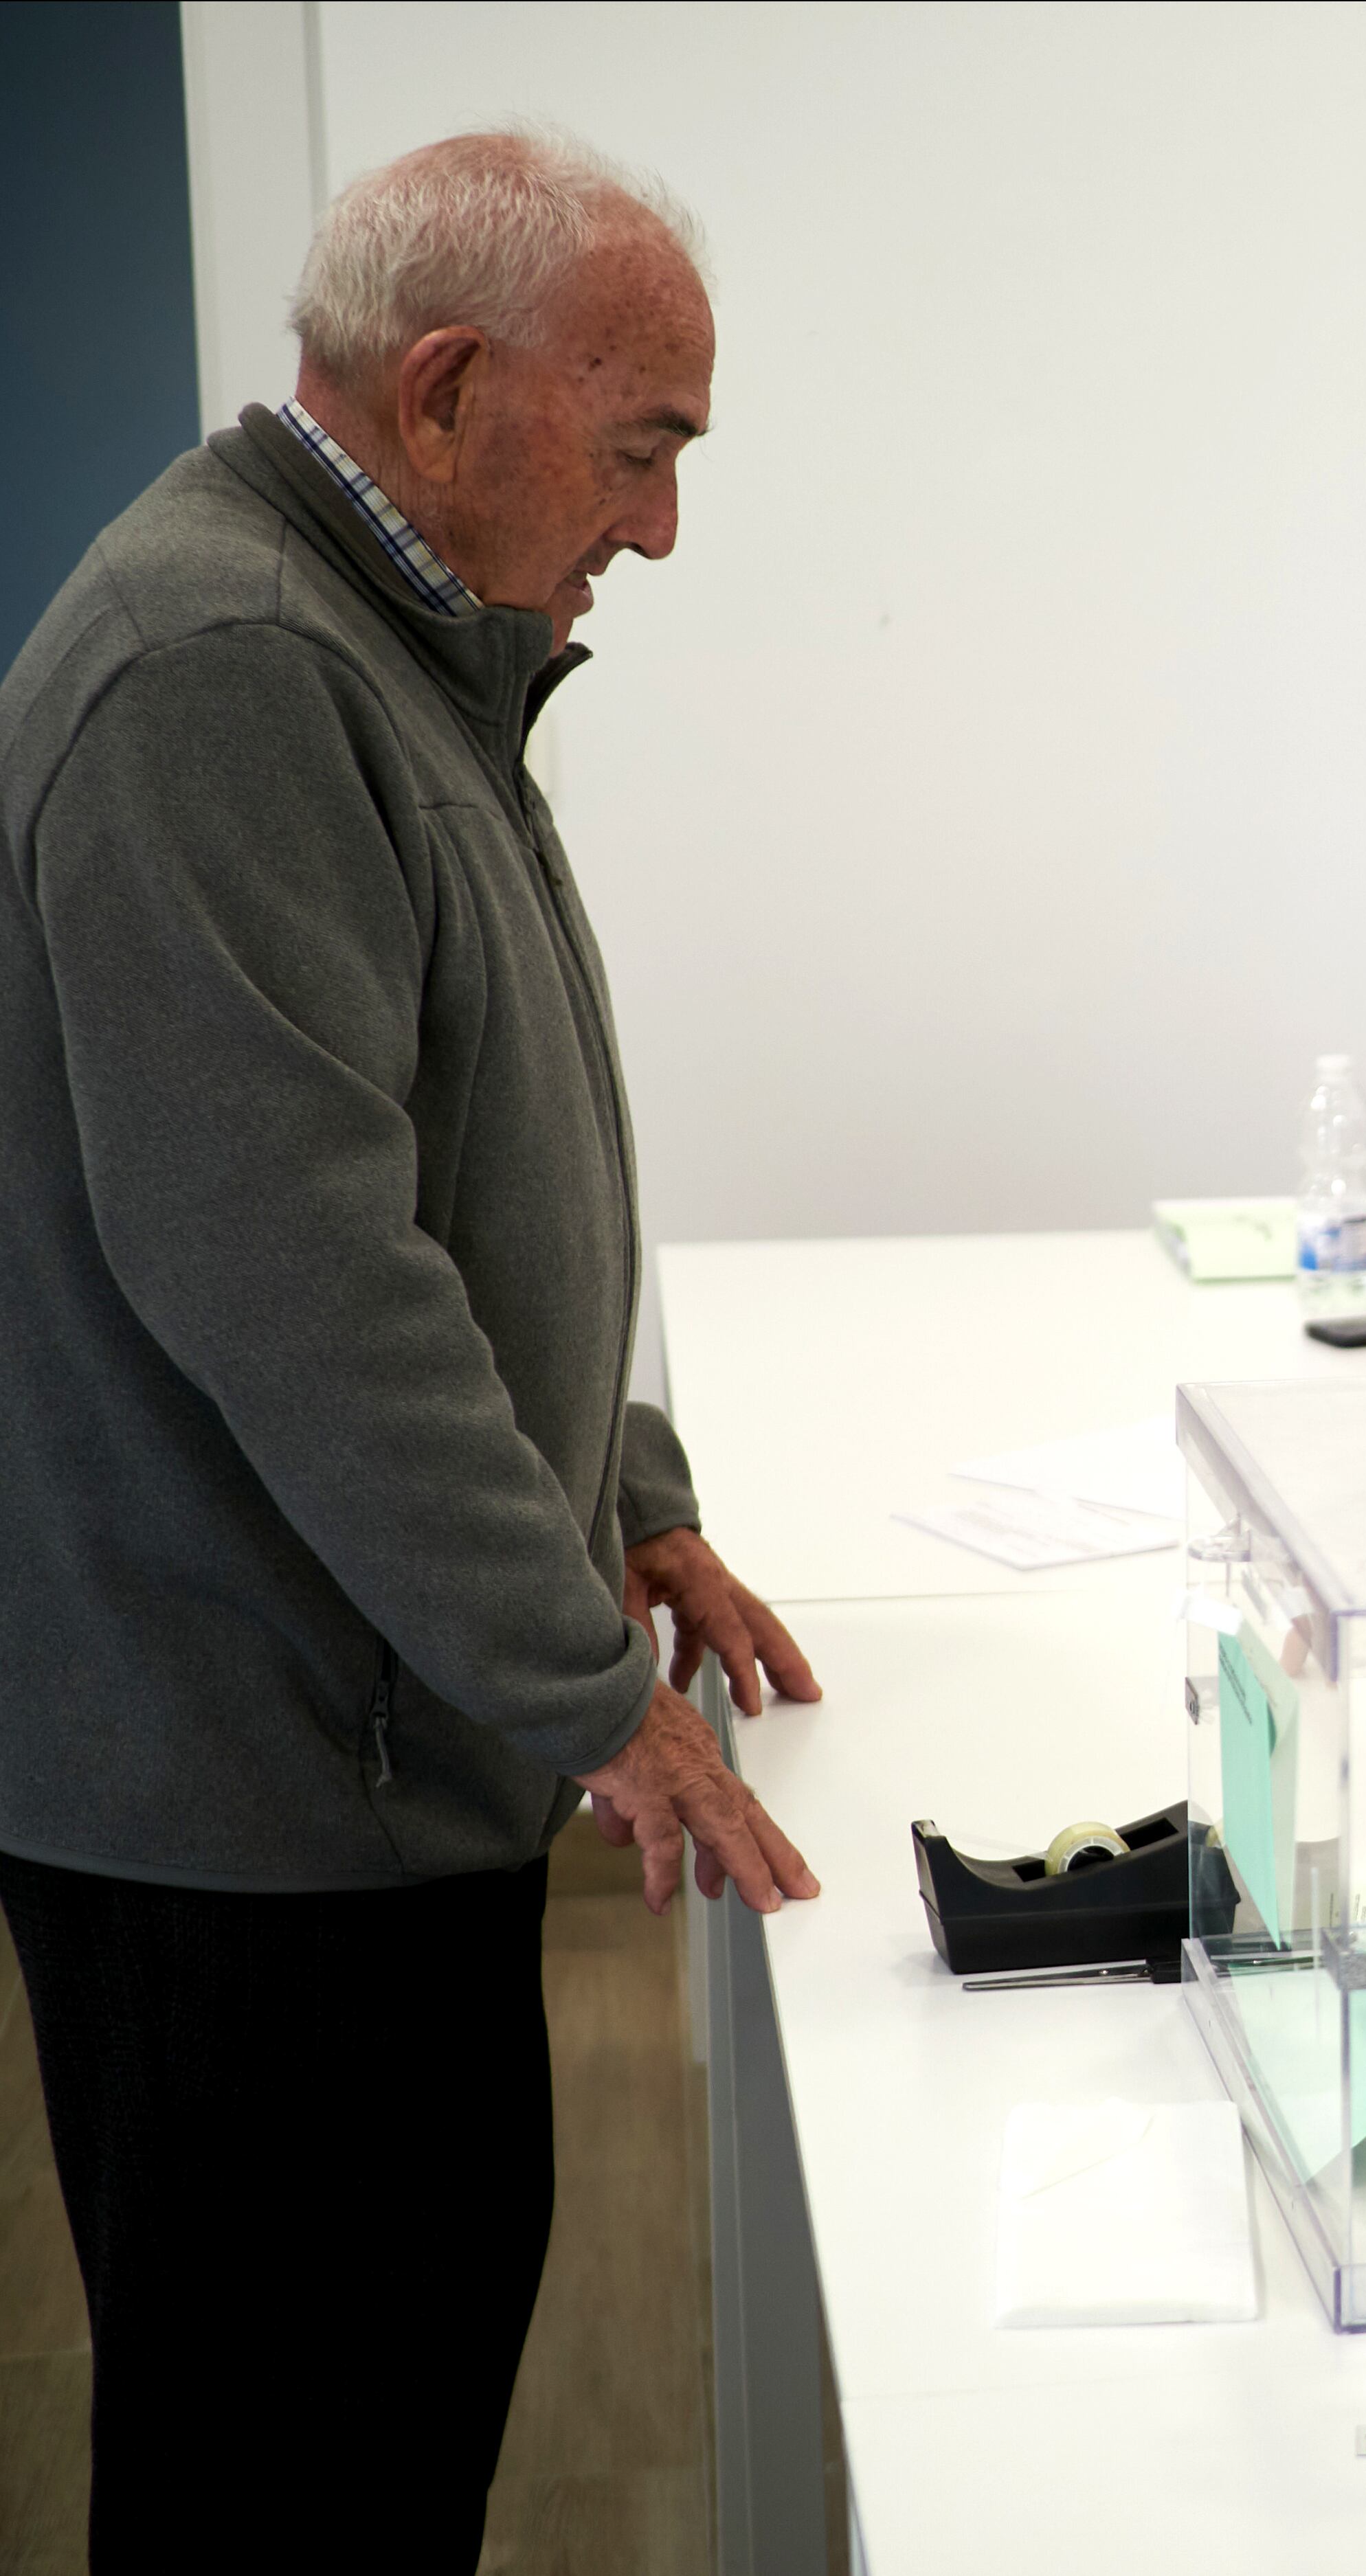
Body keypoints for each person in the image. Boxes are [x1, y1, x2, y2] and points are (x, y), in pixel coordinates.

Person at [0, 128, 818, 2564]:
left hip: (333, 1761)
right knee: (290, 2472)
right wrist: (585, 1680)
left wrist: (630, 1486)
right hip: (250, 1804)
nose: (660, 525)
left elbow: (479, 1147)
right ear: (452, 387)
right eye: (645, 440)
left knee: (382, 2418)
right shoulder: (233, 672)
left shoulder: (387, 643)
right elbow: (300, 1279)